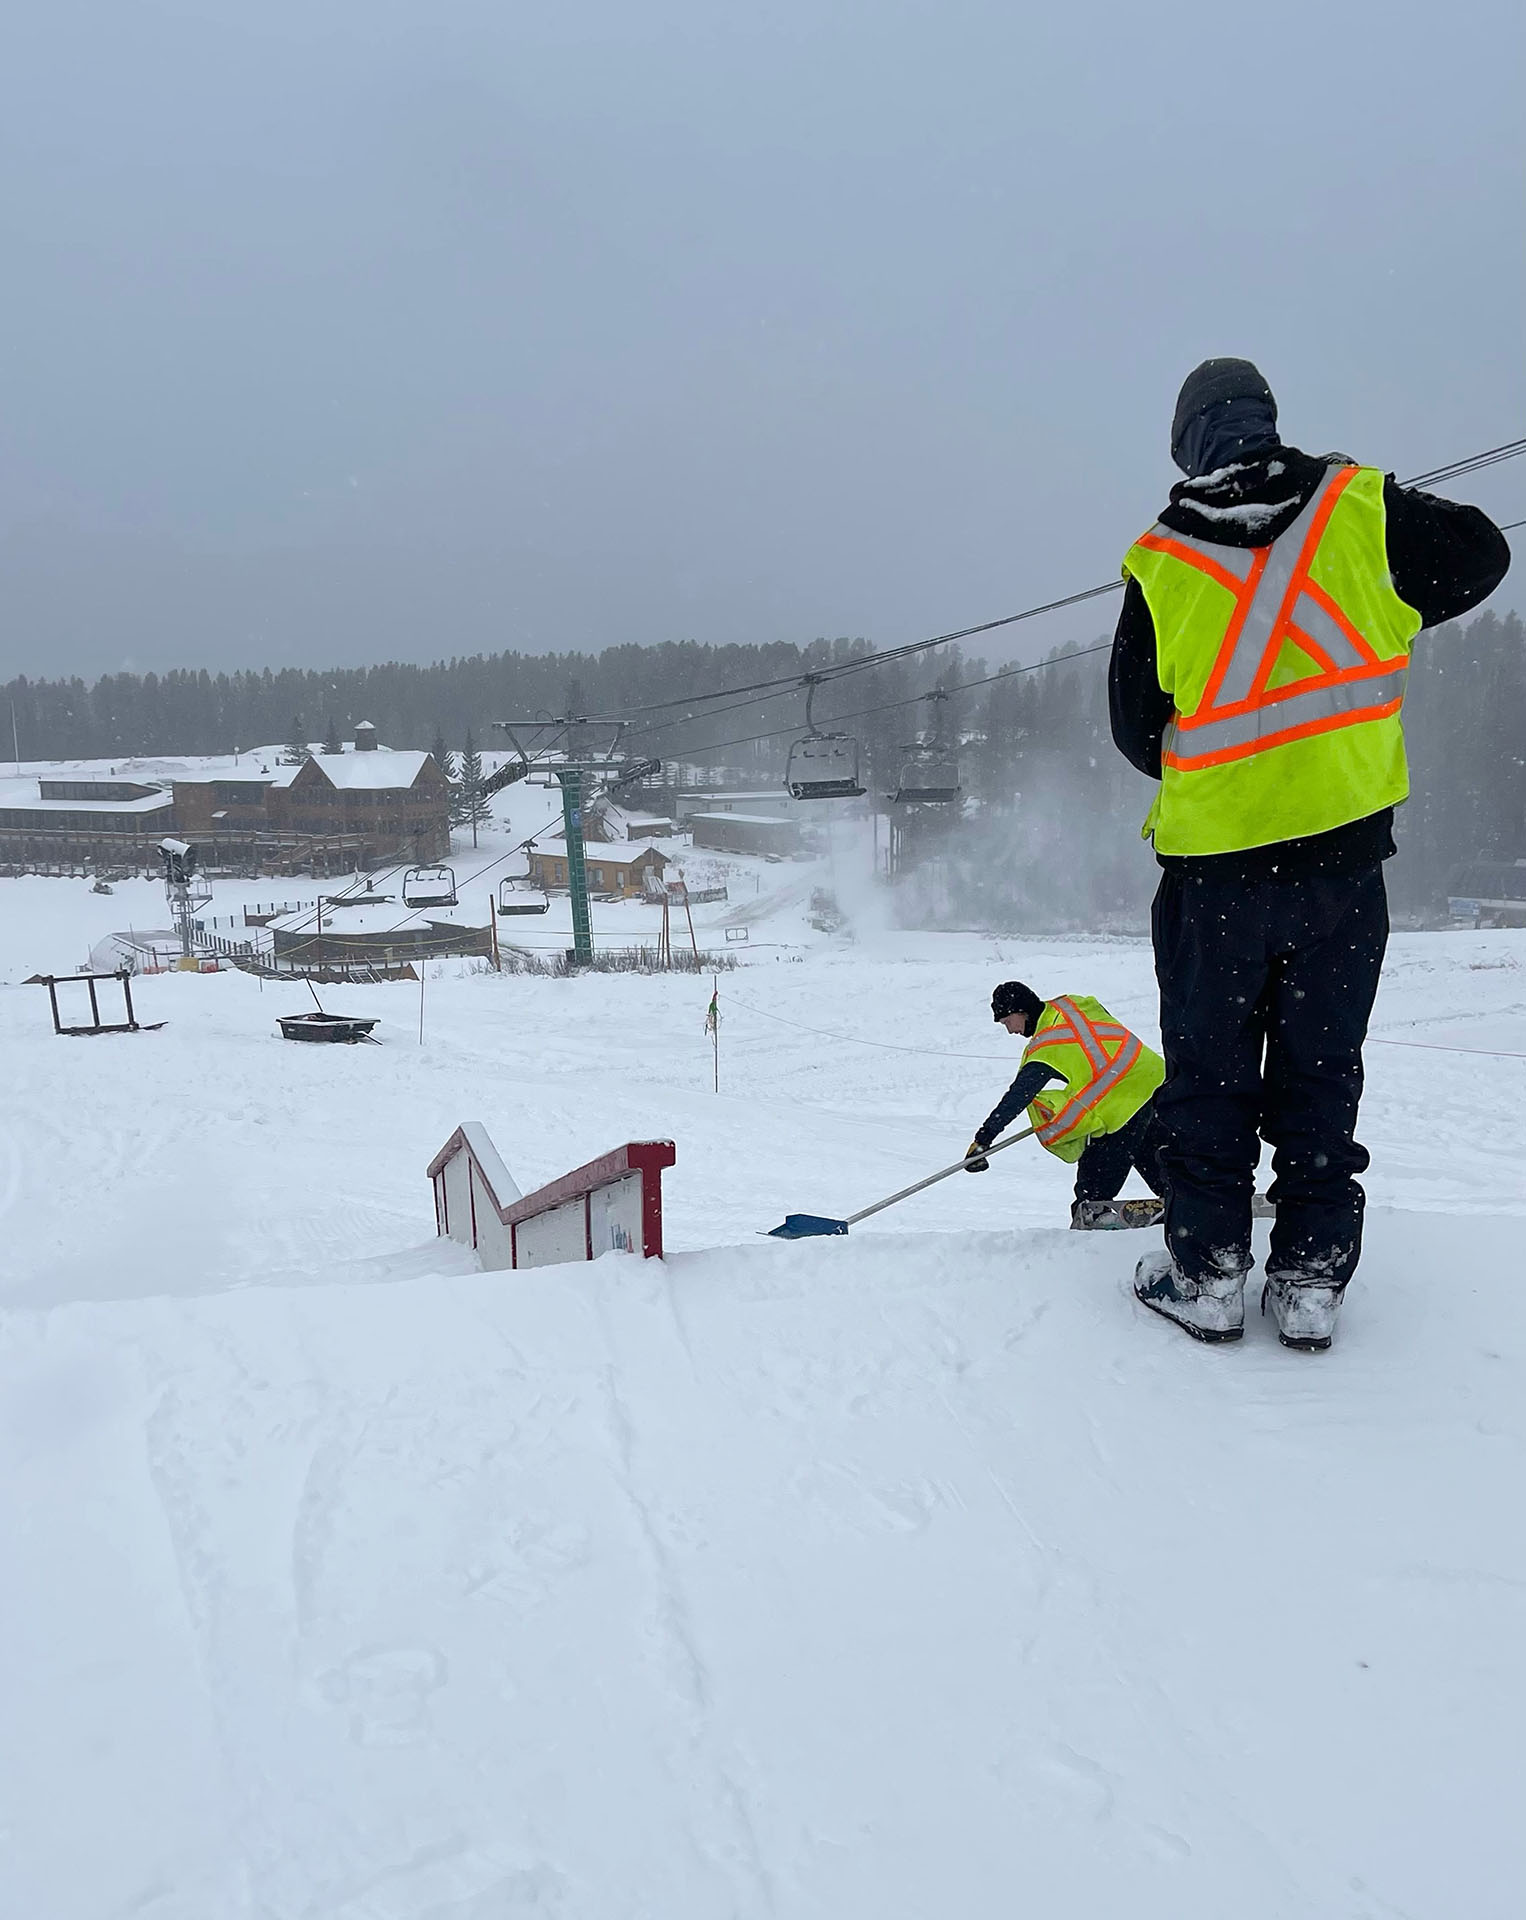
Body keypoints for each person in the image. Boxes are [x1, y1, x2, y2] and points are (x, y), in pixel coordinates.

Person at [1112, 358, 1510, 1348]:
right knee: (1320, 1071)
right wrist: (1375, 577)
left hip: (1214, 875)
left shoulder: (1162, 559)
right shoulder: (1357, 510)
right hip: (1340, 870)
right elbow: (1480, 554)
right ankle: (1308, 1280)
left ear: (1186, 446)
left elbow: (1135, 730)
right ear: (1267, 420)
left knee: (1209, 1080)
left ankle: (1207, 1274)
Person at [965, 980, 1167, 1229]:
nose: (1010, 1031)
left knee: (1092, 1194)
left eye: (1008, 1022)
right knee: (1160, 1167)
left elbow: (1017, 1097)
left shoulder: (1045, 1048)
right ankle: (1184, 1210)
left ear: (1022, 1012)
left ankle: (1090, 1233)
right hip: (1158, 1085)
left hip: (1122, 1106)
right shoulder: (1073, 1004)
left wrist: (984, 1138)